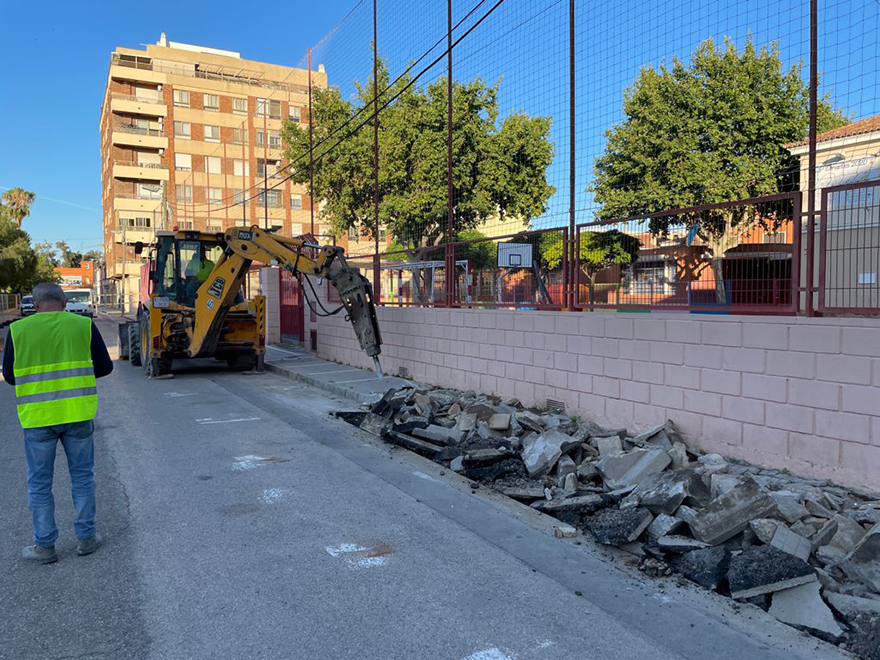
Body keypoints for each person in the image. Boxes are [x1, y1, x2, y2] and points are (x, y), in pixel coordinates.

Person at [2, 282, 113, 564]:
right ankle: (87, 538)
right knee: (83, 478)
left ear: (35, 306)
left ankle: (45, 546)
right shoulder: (83, 325)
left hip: (39, 419)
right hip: (77, 414)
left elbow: (11, 376)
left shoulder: (18, 330)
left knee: (39, 484)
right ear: (64, 303)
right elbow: (105, 367)